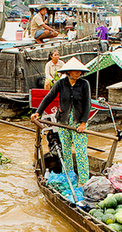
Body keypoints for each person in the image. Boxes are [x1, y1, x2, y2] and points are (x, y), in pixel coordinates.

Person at [31, 57, 91, 185]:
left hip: (78, 123)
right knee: (66, 150)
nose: (77, 73)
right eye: (75, 71)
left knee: (81, 152)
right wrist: (38, 112)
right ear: (68, 72)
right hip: (63, 122)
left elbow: (87, 104)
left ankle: (83, 181)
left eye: (79, 71)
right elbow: (48, 98)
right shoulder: (61, 83)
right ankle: (68, 176)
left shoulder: (84, 84)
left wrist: (83, 123)